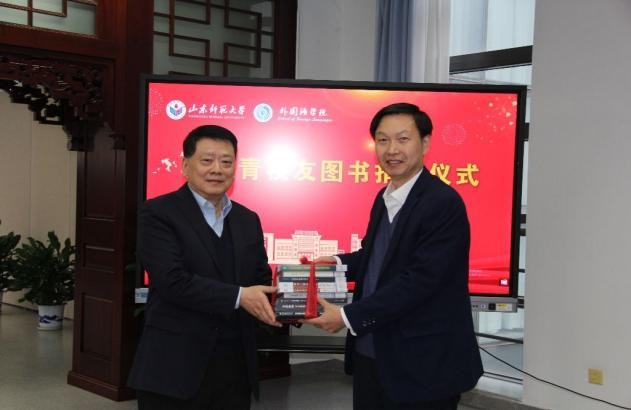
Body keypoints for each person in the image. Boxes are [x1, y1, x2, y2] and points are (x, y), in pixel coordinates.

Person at [304, 103, 483, 410]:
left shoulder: (443, 202)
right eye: (383, 140)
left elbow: (420, 280)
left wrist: (347, 316)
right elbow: (376, 257)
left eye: (403, 139)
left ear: (425, 143)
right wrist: (336, 262)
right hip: (372, 350)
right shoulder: (384, 197)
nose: (392, 150)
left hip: (423, 363)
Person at [128, 125, 280, 410]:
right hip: (174, 364)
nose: (217, 169)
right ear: (185, 166)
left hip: (234, 367)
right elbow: (172, 281)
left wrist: (293, 304)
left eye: (226, 161)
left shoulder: (248, 219)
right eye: (207, 160)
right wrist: (239, 296)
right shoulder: (158, 213)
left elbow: (259, 278)